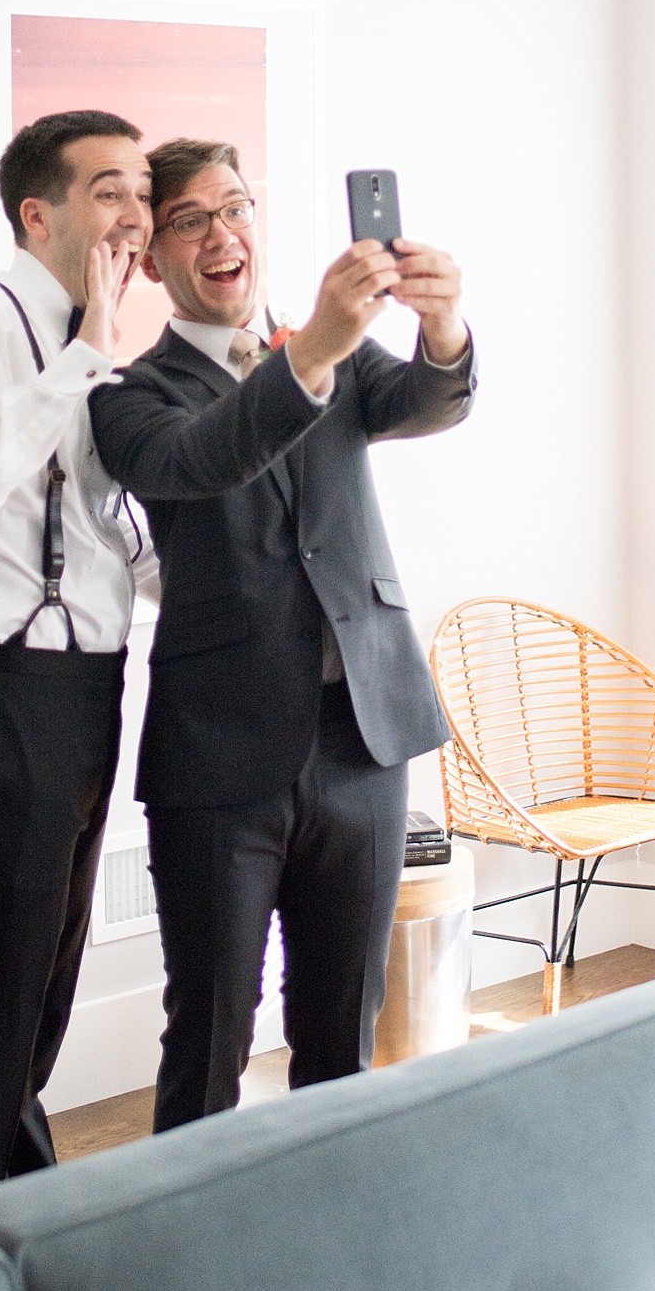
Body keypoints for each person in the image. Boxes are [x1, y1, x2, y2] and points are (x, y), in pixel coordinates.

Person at [89, 138, 474, 1131]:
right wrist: (311, 353)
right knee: (210, 1031)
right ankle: (182, 1247)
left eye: (236, 208)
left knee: (345, 1026)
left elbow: (429, 400)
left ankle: (329, 1231)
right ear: (150, 259)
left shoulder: (335, 353)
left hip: (364, 737)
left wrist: (441, 324)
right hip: (219, 758)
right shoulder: (130, 399)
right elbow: (201, 459)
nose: (222, 233)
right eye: (190, 219)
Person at [0, 108, 158, 1200]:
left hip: (84, 692)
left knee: (40, 989)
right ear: (36, 213)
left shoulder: (88, 345)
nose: (134, 213)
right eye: (108, 190)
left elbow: (104, 524)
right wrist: (83, 364)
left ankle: (20, 1215)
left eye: (141, 190)